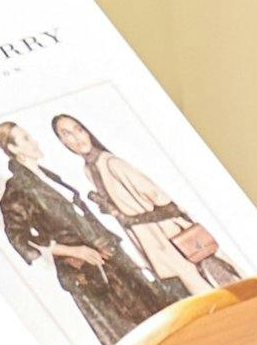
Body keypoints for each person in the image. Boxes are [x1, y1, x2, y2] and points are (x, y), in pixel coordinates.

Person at [0, 117, 182, 345]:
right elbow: (18, 236)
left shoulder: (47, 175)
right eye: (26, 139)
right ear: (13, 149)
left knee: (155, 319)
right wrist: (74, 250)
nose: (34, 141)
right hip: (87, 272)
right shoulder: (18, 187)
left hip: (108, 254)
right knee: (131, 339)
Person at [50, 106, 239, 299]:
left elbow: (169, 206)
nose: (77, 137)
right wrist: (112, 209)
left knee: (213, 288)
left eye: (78, 129)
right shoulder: (89, 170)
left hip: (172, 238)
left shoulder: (112, 163)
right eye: (67, 134)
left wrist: (130, 219)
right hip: (151, 245)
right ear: (62, 141)